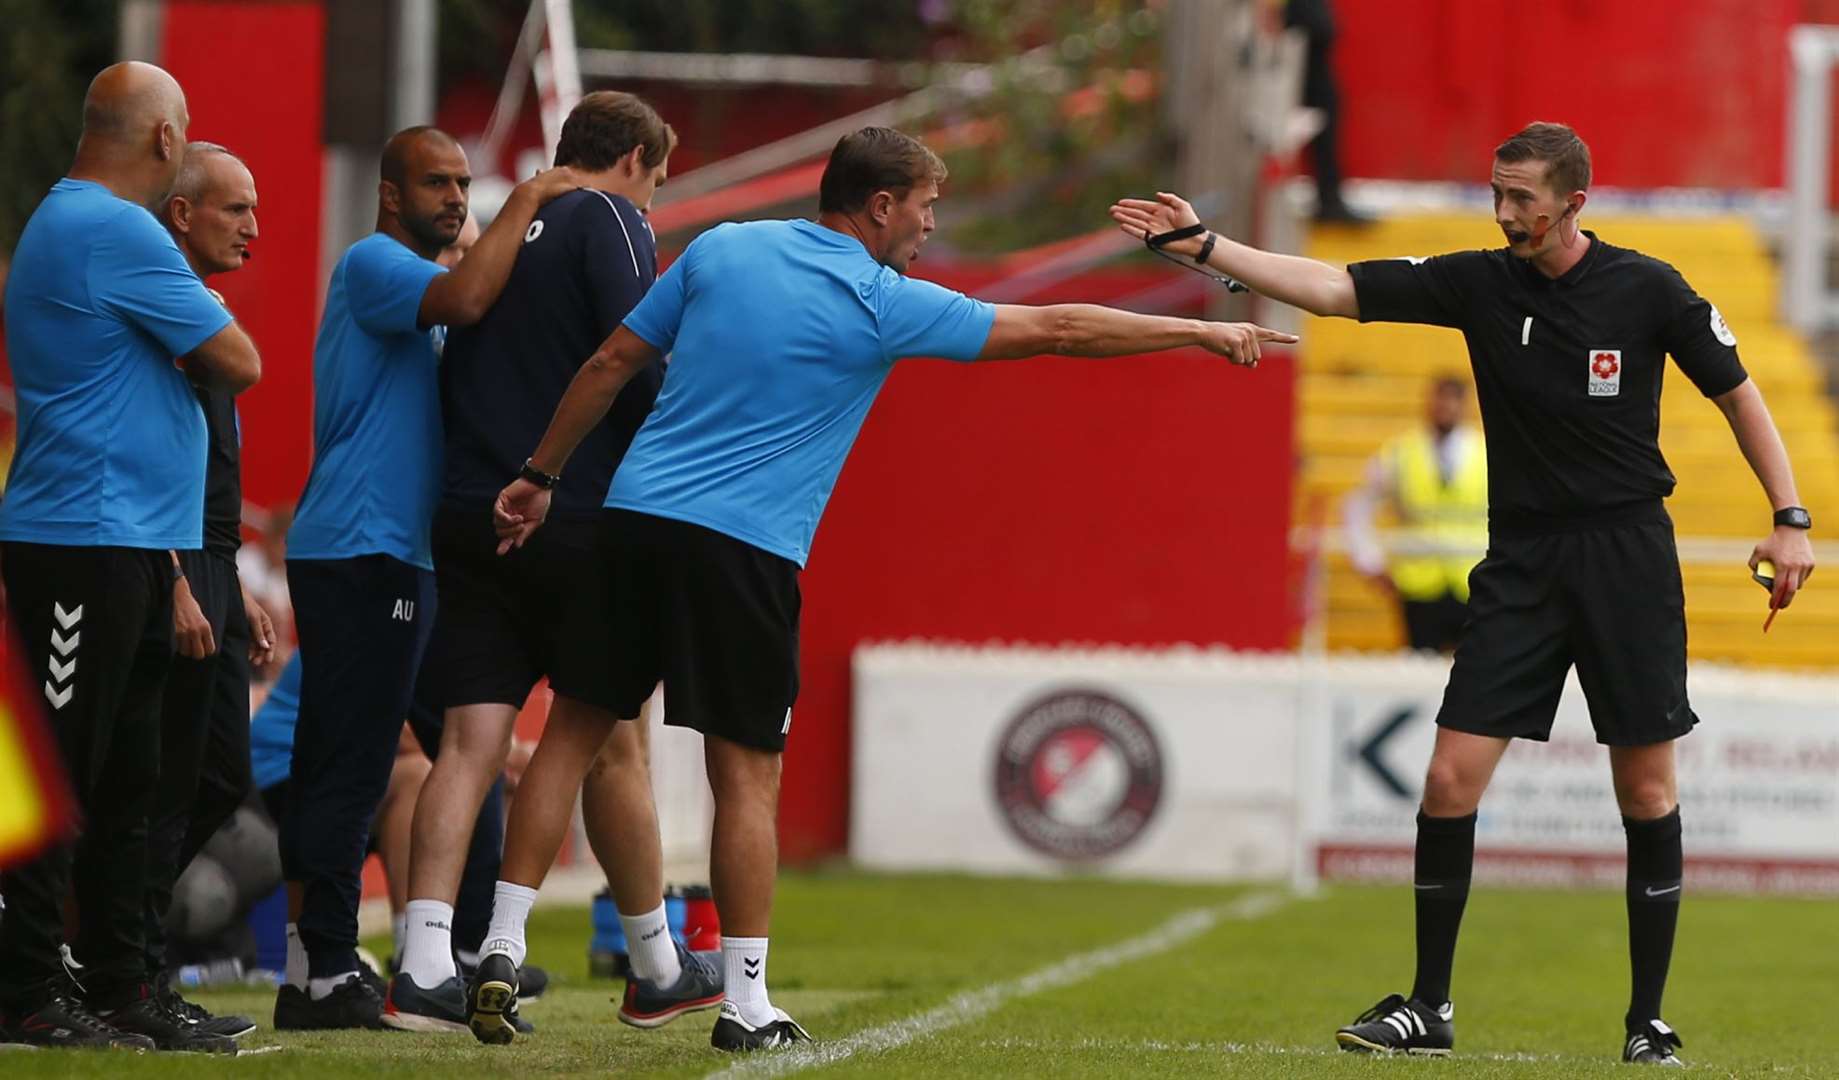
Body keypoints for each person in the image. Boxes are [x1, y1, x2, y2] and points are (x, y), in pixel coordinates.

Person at [481, 125, 1295, 1052]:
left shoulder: (720, 247)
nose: (929, 224)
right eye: (923, 207)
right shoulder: (881, 300)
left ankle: (501, 949)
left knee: (574, 735)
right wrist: (1200, 327)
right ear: (878, 208)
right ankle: (746, 1005)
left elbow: (607, 363)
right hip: (744, 553)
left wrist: (539, 475)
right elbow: (1060, 330)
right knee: (745, 777)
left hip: (632, 523)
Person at [1110, 121, 1816, 1067]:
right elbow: (1335, 287)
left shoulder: (1648, 289)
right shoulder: (1477, 282)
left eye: (1522, 198)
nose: (1504, 213)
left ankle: (1647, 1022)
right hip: (1521, 562)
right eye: (1497, 193)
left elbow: (1739, 394)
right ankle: (1428, 1007)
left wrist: (1790, 515)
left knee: (1644, 790)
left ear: (1574, 203)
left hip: (1624, 558)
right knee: (1446, 780)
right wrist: (1205, 247)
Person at [385, 91, 701, 1036]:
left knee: (468, 745)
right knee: (610, 741)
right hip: (568, 508)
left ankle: (424, 958)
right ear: (638, 161)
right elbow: (628, 353)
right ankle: (651, 961)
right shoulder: (610, 218)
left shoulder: (503, 229)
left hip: (469, 510)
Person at [274, 125, 579, 1031]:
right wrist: (528, 197)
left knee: (454, 749)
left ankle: (446, 952)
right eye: (438, 185)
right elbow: (471, 296)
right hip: (361, 550)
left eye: (463, 184)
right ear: (391, 195)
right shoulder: (376, 264)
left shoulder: (418, 285)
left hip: (401, 552)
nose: (455, 198)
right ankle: (322, 971)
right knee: (353, 764)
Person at [0, 61, 259, 1054]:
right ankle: (26, 989)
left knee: (131, 786)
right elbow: (239, 360)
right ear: (164, 140)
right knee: (67, 778)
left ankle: (123, 986)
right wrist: (186, 345)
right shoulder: (111, 228)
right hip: (79, 544)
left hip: (131, 545)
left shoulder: (84, 226)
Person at [142, 141, 281, 1040]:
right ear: (183, 213)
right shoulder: (157, 312)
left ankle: (123, 953)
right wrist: (179, 582)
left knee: (223, 772)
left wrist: (233, 580)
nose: (255, 228)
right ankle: (124, 967)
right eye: (236, 209)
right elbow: (144, 460)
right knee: (154, 776)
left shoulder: (199, 310)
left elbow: (211, 469)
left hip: (215, 566)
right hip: (173, 566)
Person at [1342, 376, 1486, 652]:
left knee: (1478, 668)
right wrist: (1368, 560)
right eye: (1441, 399)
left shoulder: (1486, 452)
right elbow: (1358, 505)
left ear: (1465, 405)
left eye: (1454, 400)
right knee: (1420, 667)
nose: (1446, 407)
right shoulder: (1400, 453)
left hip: (1474, 579)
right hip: (1418, 581)